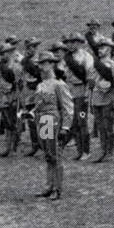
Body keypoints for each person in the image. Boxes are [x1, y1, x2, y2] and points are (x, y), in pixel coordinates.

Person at [28, 51, 73, 200]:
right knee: (48, 154)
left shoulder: (59, 85)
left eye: (45, 63)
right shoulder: (40, 85)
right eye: (40, 64)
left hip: (53, 120)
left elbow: (67, 107)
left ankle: (57, 188)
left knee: (56, 155)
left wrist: (65, 127)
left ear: (52, 64)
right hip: (43, 121)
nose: (42, 67)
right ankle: (49, 186)